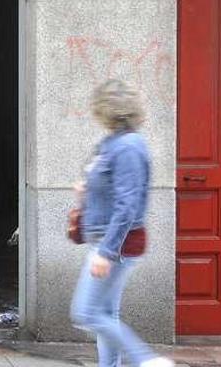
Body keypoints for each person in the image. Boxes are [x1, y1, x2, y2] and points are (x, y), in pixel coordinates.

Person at [69, 80, 173, 367]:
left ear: (107, 109)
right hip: (108, 240)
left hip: (115, 244)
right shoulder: (112, 143)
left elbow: (127, 205)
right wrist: (86, 191)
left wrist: (106, 252)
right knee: (106, 314)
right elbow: (112, 190)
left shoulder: (127, 146)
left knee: (86, 312)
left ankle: (147, 359)